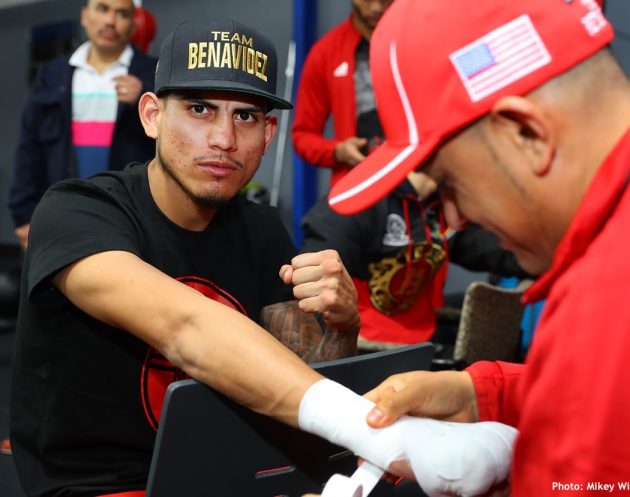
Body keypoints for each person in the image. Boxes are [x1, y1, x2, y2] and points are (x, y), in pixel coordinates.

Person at [9, 18, 518, 497]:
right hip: (101, 485)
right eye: (199, 109)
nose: (223, 140)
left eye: (245, 117)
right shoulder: (78, 212)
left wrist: (339, 323)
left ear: (268, 135)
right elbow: (184, 326)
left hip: (228, 474)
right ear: (152, 115)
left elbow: (301, 381)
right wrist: (377, 434)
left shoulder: (260, 231)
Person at [326, 0, 630, 493]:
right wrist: (485, 394)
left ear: (526, 133)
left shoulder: (628, 294)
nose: (452, 218)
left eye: (448, 183)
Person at [301, 171, 528, 345]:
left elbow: (496, 251)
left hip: (422, 343)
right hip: (367, 345)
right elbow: (314, 287)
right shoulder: (363, 196)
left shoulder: (442, 206)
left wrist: (550, 255)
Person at [7, 0, 157, 250]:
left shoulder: (154, 74)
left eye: (121, 13)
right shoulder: (52, 74)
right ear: (85, 16)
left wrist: (145, 94)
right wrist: (23, 216)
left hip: (131, 217)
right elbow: (29, 147)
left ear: (133, 24)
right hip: (59, 214)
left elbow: (173, 143)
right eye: (102, 9)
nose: (110, 20)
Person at [291, 0, 393, 187]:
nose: (377, 7)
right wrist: (337, 151)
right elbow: (303, 135)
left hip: (417, 182)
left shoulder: (416, 39)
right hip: (357, 183)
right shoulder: (326, 52)